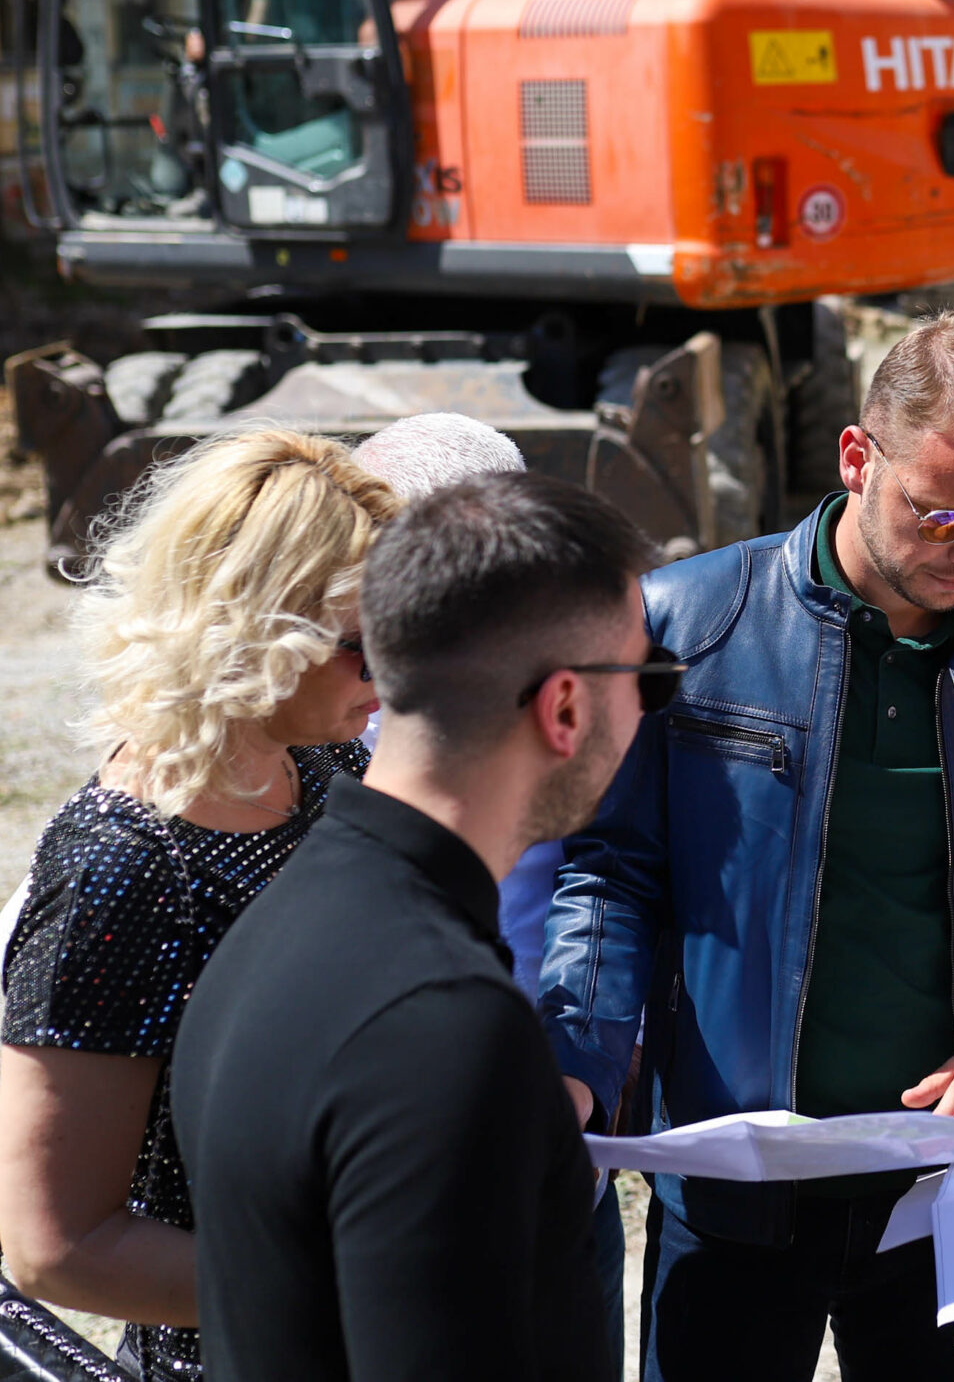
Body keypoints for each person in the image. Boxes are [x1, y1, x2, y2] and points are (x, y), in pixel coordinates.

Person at [541, 312, 954, 1382]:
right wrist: (577, 1065)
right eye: (939, 511)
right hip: (731, 1189)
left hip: (939, 1198)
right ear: (857, 457)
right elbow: (610, 872)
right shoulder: (682, 627)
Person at [175, 473, 661, 1382]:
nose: (650, 712)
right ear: (564, 708)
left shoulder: (293, 912)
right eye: (650, 679)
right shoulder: (445, 1025)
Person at [0, 429, 399, 1382]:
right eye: (362, 640)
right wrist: (363, 1276)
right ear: (253, 628)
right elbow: (56, 1242)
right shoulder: (122, 870)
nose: (392, 667)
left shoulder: (323, 765)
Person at [350, 411, 629, 1382]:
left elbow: (612, 877)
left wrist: (576, 1066)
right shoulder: (313, 723)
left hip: (553, 1131)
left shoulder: (580, 691)